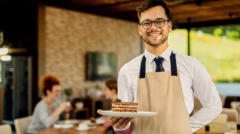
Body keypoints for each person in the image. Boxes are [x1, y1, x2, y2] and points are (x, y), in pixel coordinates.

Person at [98, 0, 222, 134]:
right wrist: (117, 124)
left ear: (169, 26)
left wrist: (186, 127)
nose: (153, 27)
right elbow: (122, 123)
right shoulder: (127, 70)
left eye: (159, 21)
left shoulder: (191, 65)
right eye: (146, 23)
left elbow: (213, 105)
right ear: (140, 29)